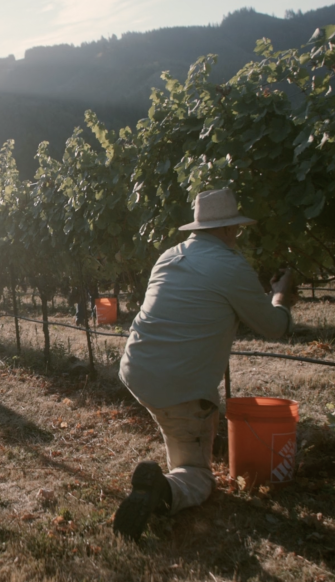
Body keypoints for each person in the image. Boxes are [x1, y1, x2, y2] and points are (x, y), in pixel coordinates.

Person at [112, 188, 297, 540]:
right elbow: (274, 327)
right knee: (197, 475)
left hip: (137, 368)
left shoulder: (169, 256)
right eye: (236, 230)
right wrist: (282, 295)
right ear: (229, 229)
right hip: (178, 386)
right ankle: (162, 491)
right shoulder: (231, 265)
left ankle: (170, 465)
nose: (237, 236)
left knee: (180, 423)